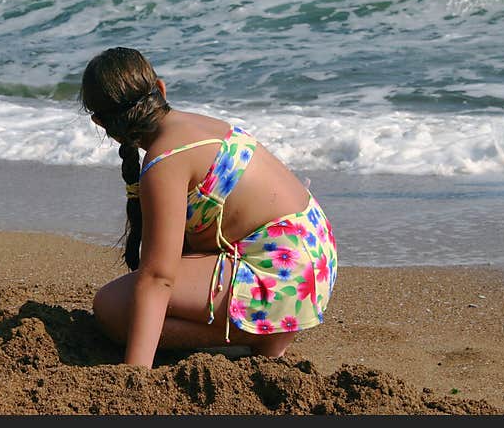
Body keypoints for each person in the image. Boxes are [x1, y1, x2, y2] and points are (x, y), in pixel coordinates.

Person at [80, 47, 337, 368]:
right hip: (314, 254)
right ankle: (262, 325)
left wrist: (135, 373)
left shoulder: (163, 162)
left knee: (112, 309)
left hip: (283, 275)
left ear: (100, 122)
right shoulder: (202, 125)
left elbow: (158, 277)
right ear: (160, 88)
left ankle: (257, 335)